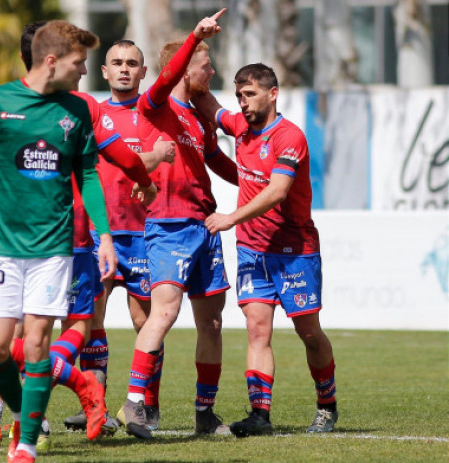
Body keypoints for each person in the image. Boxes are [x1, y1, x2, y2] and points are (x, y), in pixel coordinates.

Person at [0, 20, 116, 463]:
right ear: (53, 60)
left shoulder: (77, 111)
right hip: (1, 247)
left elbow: (90, 175)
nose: (84, 72)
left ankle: (25, 446)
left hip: (53, 249)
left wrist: (105, 236)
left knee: (38, 343)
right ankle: (25, 411)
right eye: (80, 63)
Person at [196, 63, 338, 436]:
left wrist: (231, 217)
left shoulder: (289, 137)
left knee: (308, 332)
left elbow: (277, 191)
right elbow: (208, 104)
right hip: (252, 250)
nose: (243, 103)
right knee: (257, 330)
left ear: (273, 94)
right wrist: (192, 64)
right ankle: (260, 415)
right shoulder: (240, 127)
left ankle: (327, 404)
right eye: (240, 95)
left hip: (295, 250)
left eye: (251, 94)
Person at [116, 9, 237, 440]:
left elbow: (217, 160)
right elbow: (166, 78)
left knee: (213, 323)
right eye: (207, 65)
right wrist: (195, 35)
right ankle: (135, 402)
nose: (214, 70)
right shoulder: (156, 104)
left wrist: (257, 183)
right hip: (168, 224)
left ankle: (205, 413)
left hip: (206, 225)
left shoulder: (199, 119)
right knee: (164, 312)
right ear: (186, 68)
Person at [65, 39, 178, 433]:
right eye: (117, 63)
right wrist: (150, 158)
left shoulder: (154, 113)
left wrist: (151, 159)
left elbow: (158, 159)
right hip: (100, 233)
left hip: (146, 233)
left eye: (132, 63)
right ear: (104, 71)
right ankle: (93, 402)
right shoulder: (92, 113)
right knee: (90, 314)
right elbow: (125, 161)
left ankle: (147, 404)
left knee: (144, 321)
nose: (125, 69)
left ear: (144, 72)